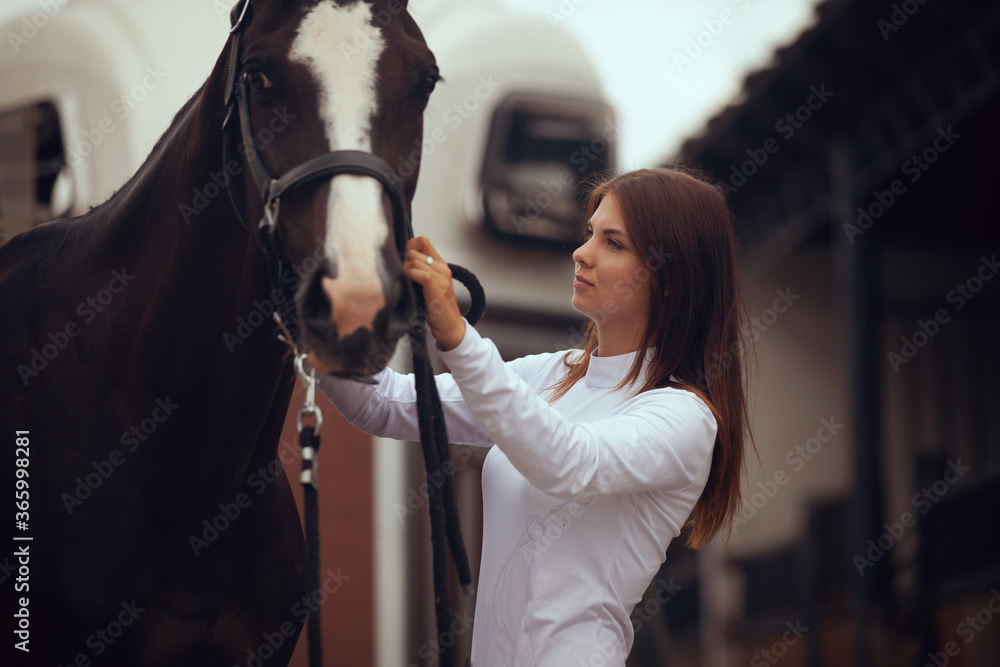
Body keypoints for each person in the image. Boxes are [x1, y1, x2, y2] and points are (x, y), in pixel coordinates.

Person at [312, 166, 754, 666]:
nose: (581, 252)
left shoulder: (685, 417)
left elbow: (567, 461)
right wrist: (306, 326)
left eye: (613, 243)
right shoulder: (554, 374)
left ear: (670, 279)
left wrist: (457, 336)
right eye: (590, 232)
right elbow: (388, 405)